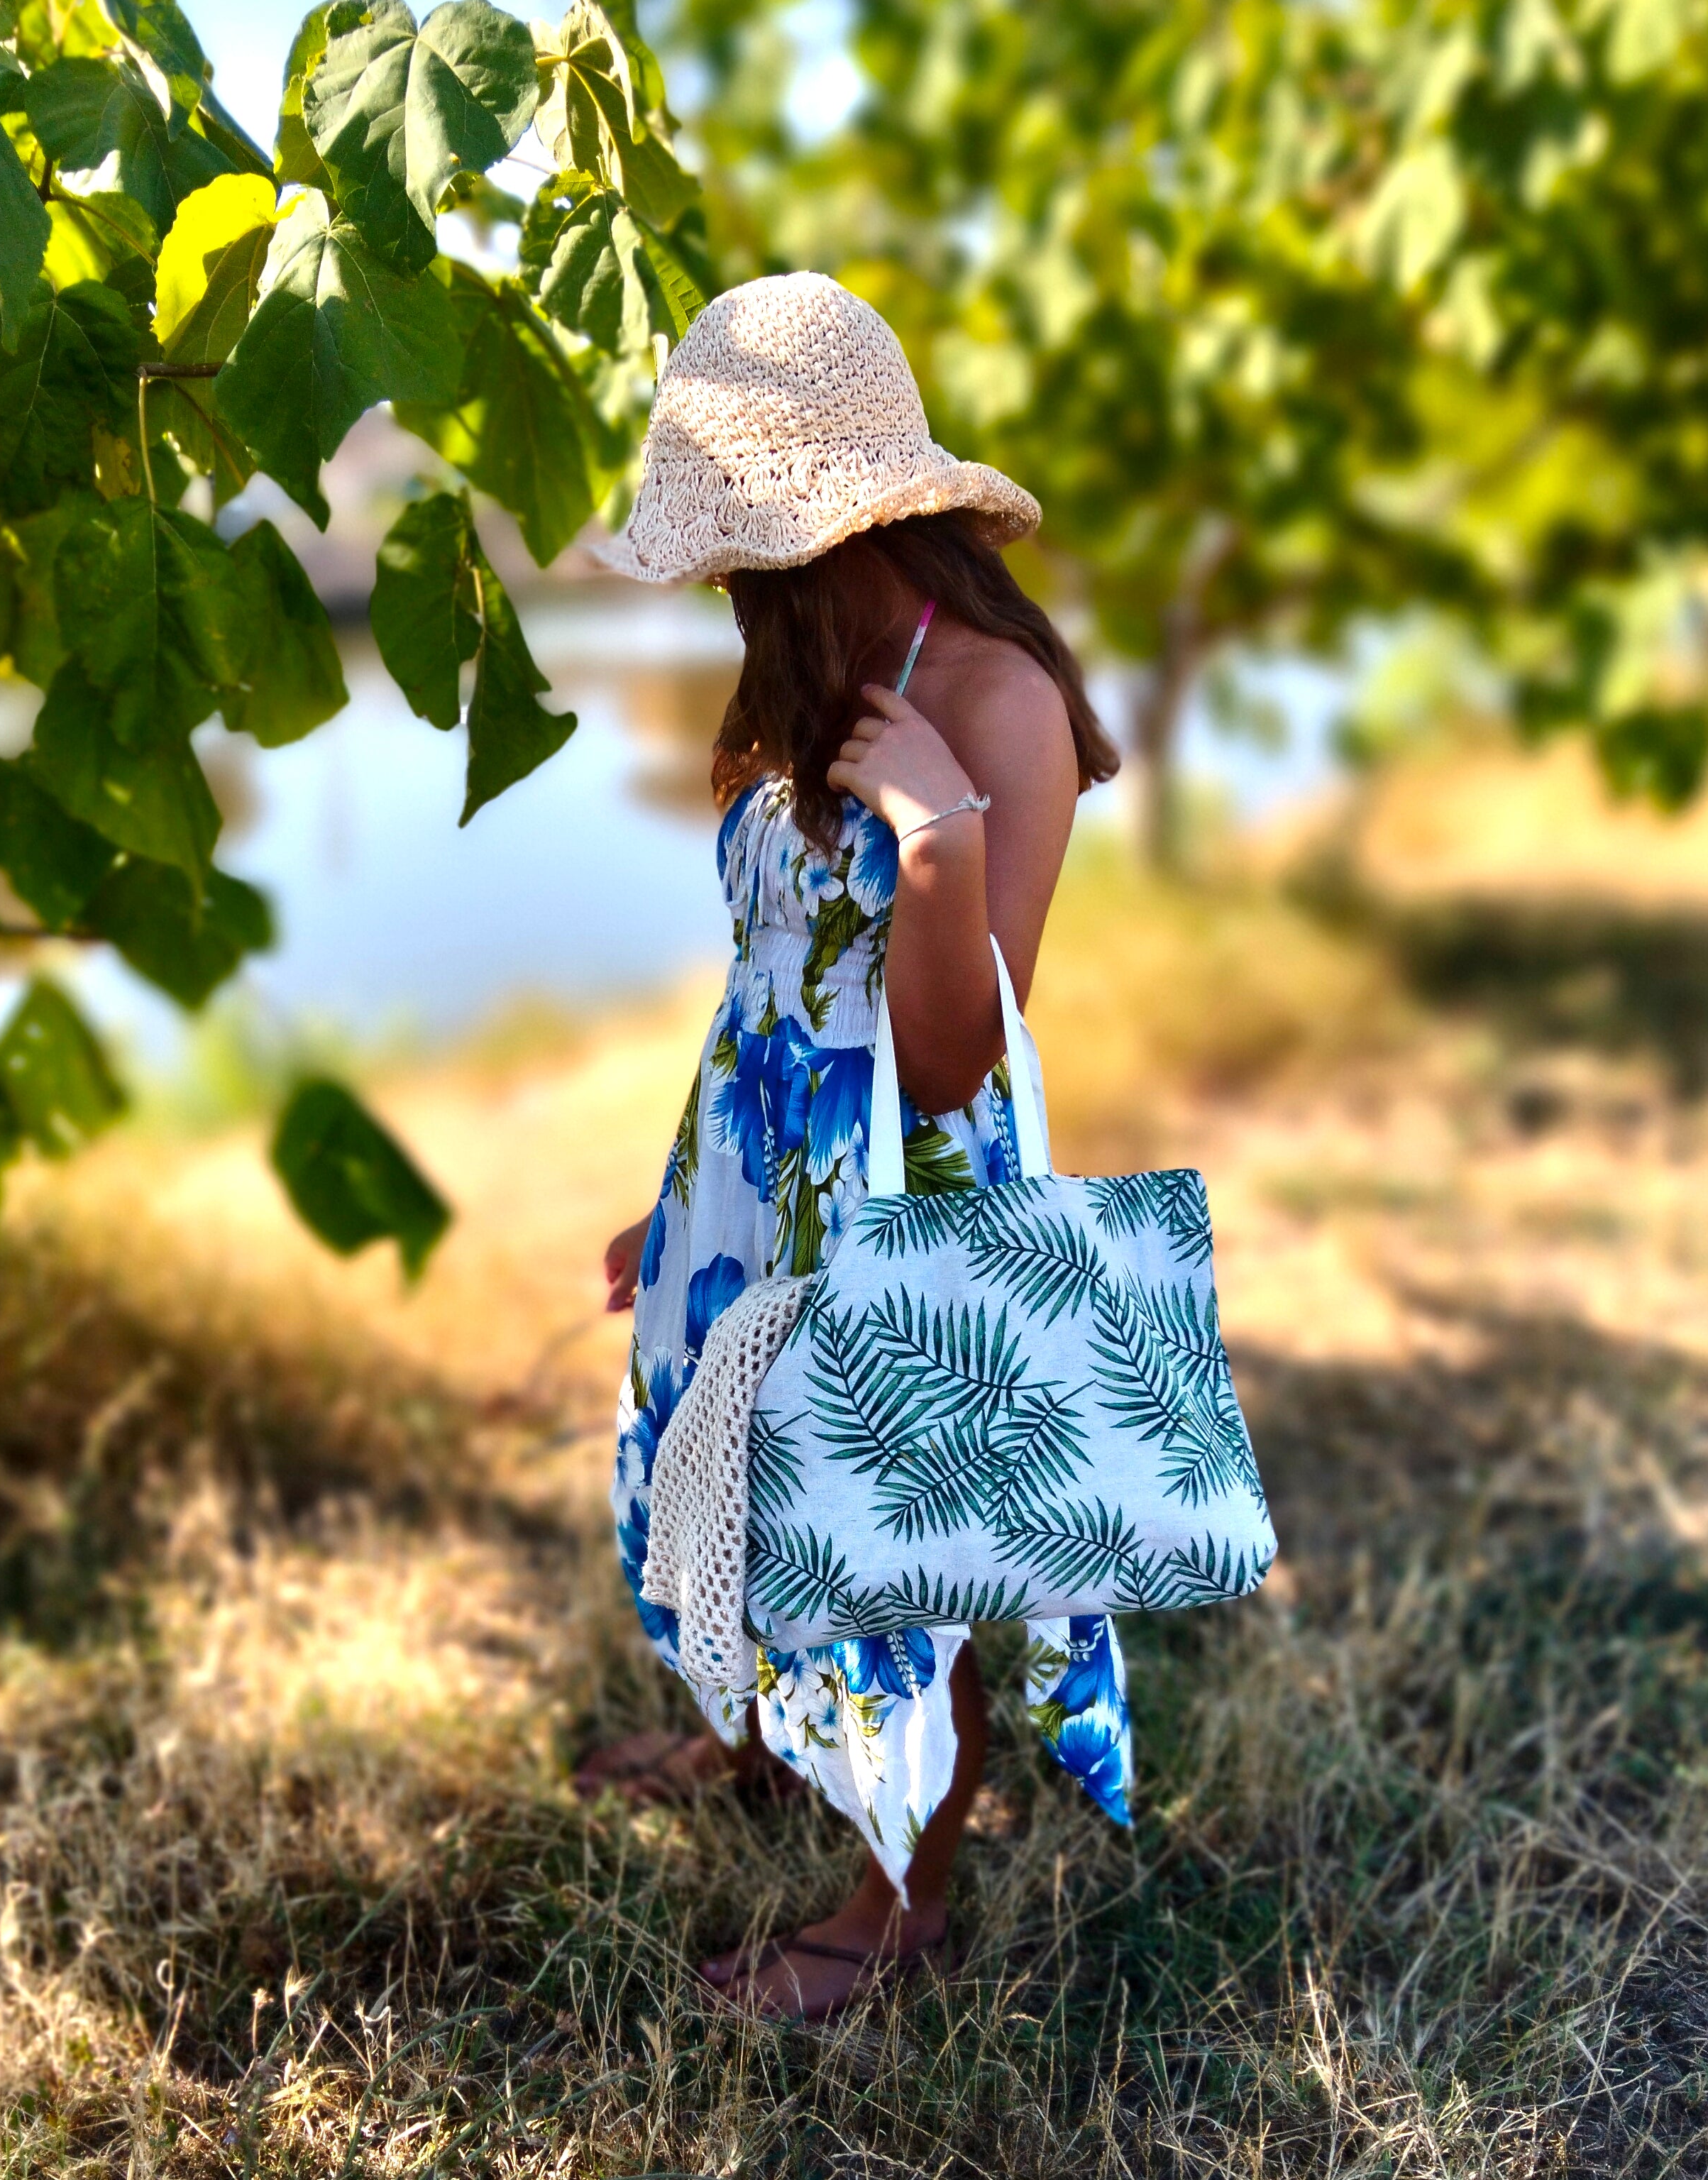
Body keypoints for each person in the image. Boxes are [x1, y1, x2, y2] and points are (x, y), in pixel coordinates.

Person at [576, 273, 1130, 2020]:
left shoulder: (993, 702)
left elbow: (963, 1060)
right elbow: (770, 977)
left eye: (752, 550)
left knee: (893, 1548)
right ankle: (754, 1752)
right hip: (759, 1162)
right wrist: (680, 1208)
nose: (735, 585)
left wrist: (944, 846)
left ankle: (902, 1917)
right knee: (729, 1475)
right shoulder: (803, 678)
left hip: (905, 1184)